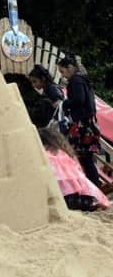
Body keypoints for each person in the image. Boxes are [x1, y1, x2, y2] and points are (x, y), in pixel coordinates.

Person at [38, 127, 109, 211]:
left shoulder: (44, 155)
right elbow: (81, 176)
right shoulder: (66, 155)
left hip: (61, 198)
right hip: (81, 195)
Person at [57, 55, 100, 186]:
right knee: (86, 159)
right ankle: (94, 189)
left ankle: (94, 190)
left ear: (70, 68)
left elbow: (79, 100)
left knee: (85, 159)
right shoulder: (82, 80)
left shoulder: (76, 80)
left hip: (83, 126)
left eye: (62, 72)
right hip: (88, 124)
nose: (63, 76)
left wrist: (65, 104)